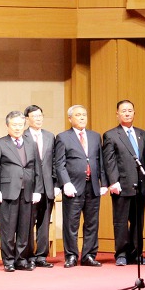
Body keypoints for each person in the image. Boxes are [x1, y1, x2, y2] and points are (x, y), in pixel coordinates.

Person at [55, 105, 105, 267]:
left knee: (92, 223)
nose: (82, 117)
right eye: (78, 115)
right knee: (71, 223)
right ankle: (71, 255)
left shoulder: (95, 136)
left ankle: (89, 255)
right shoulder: (63, 137)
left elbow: (100, 161)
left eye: (84, 114)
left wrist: (104, 183)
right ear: (70, 118)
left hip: (93, 186)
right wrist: (66, 183)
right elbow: (59, 164)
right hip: (73, 187)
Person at [101, 99, 145, 266]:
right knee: (121, 222)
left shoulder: (142, 134)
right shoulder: (111, 135)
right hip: (121, 185)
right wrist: (113, 182)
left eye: (130, 110)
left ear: (134, 113)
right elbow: (109, 161)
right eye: (124, 111)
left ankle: (136, 254)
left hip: (140, 185)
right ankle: (121, 254)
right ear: (117, 114)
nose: (127, 113)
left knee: (138, 222)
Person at [0, 110, 38, 271]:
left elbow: (36, 168)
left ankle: (21, 259)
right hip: (8, 192)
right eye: (14, 125)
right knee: (8, 229)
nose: (17, 128)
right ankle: (9, 260)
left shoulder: (31, 143)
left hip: (28, 191)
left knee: (25, 229)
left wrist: (37, 189)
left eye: (20, 125)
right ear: (7, 126)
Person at [23, 105, 57, 268]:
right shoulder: (22, 136)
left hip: (48, 186)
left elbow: (55, 161)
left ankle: (41, 256)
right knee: (28, 223)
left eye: (40, 116)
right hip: (30, 187)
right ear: (27, 119)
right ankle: (28, 255)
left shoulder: (50, 136)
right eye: (34, 116)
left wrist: (56, 184)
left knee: (44, 222)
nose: (38, 119)